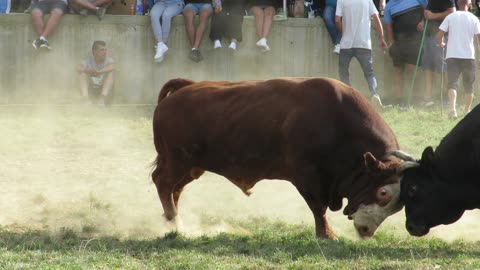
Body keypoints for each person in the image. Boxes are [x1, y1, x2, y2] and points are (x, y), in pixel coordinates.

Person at [335, 0, 388, 109]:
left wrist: (343, 33)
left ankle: (347, 97)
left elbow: (336, 20)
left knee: (343, 72)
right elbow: (376, 18)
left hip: (346, 44)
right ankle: (374, 94)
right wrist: (381, 38)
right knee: (369, 73)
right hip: (363, 43)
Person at [437, 0, 480, 118]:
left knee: (452, 84)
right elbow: (479, 39)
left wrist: (441, 43)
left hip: (452, 55)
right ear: (470, 4)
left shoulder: (451, 17)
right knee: (469, 85)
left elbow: (440, 34)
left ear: (457, 4)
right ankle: (467, 111)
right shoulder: (474, 19)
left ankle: (452, 110)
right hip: (468, 56)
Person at [384, 0, 427, 106]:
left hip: (415, 41)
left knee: (413, 71)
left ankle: (415, 98)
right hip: (398, 43)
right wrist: (391, 44)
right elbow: (388, 26)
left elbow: (427, 9)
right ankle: (398, 100)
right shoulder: (389, 6)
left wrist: (423, 21)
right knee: (399, 71)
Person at [421, 0, 455, 107]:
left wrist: (432, 16)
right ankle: (428, 99)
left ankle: (448, 99)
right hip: (428, 35)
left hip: (440, 37)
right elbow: (429, 13)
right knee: (427, 67)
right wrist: (423, 21)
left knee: (443, 67)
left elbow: (452, 12)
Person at [75, 40, 114, 106]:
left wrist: (98, 72)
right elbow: (77, 67)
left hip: (103, 89)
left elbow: (112, 66)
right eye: (102, 50)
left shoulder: (109, 60)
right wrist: (88, 71)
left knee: (111, 73)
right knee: (82, 73)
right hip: (91, 88)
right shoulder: (88, 60)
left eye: (105, 50)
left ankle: (102, 100)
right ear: (94, 51)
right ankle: (85, 100)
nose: (105, 52)